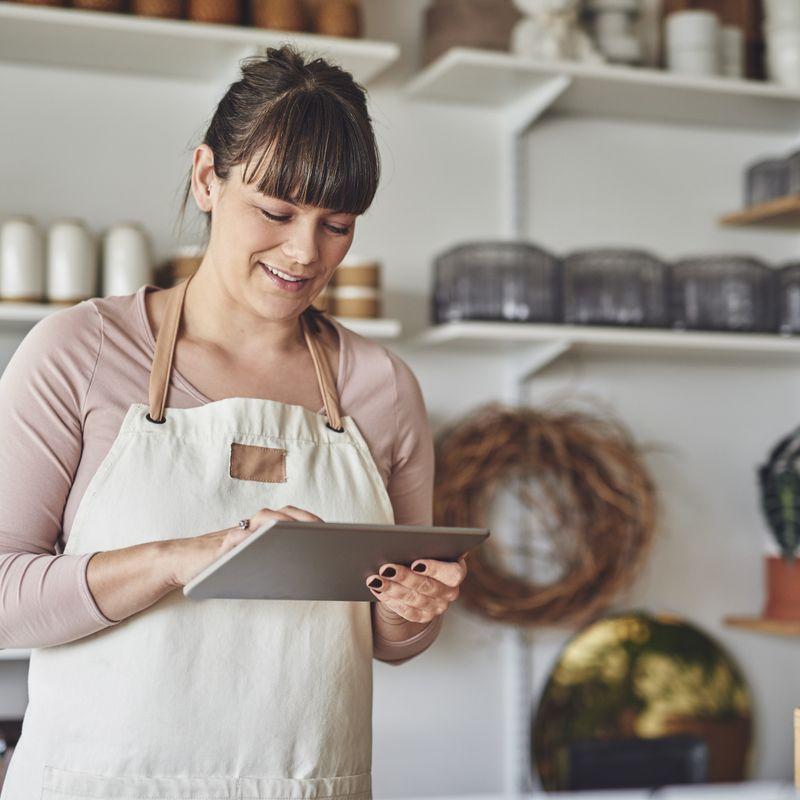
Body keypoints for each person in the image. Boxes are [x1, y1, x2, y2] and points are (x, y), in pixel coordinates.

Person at [0, 45, 467, 798]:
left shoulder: (381, 390)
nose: (304, 253)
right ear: (206, 178)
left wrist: (414, 612)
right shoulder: (82, 352)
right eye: (276, 212)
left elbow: (390, 639)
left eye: (338, 224)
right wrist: (182, 560)